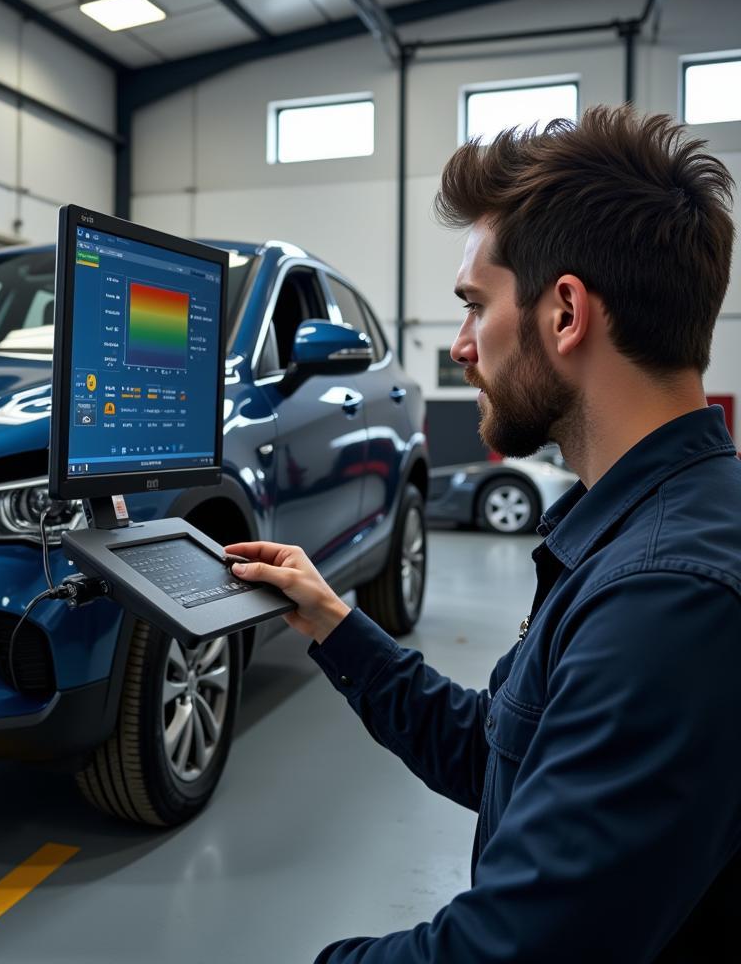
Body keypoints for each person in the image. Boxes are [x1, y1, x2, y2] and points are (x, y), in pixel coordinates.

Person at [225, 105, 740, 963]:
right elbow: (505, 752)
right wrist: (334, 624)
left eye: (473, 306)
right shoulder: (646, 527)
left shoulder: (666, 596)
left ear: (565, 313)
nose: (462, 346)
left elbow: (509, 952)